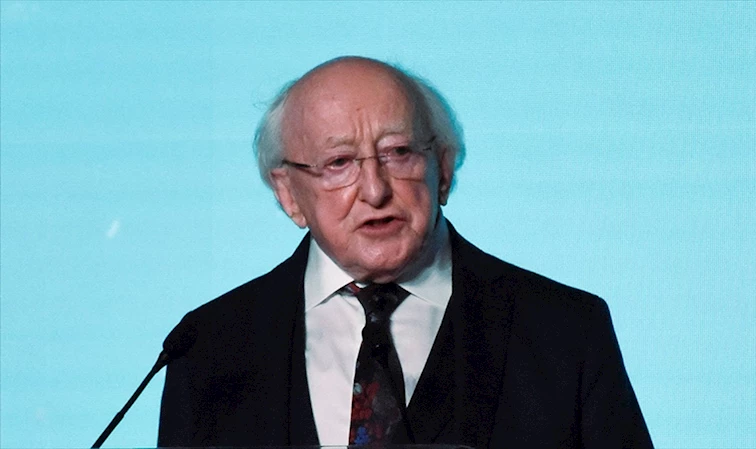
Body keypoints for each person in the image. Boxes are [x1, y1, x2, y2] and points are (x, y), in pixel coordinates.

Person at [158, 56, 653, 448]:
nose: (375, 190)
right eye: (339, 162)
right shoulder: (208, 346)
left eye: (399, 153)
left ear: (443, 168)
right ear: (288, 193)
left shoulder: (564, 331)